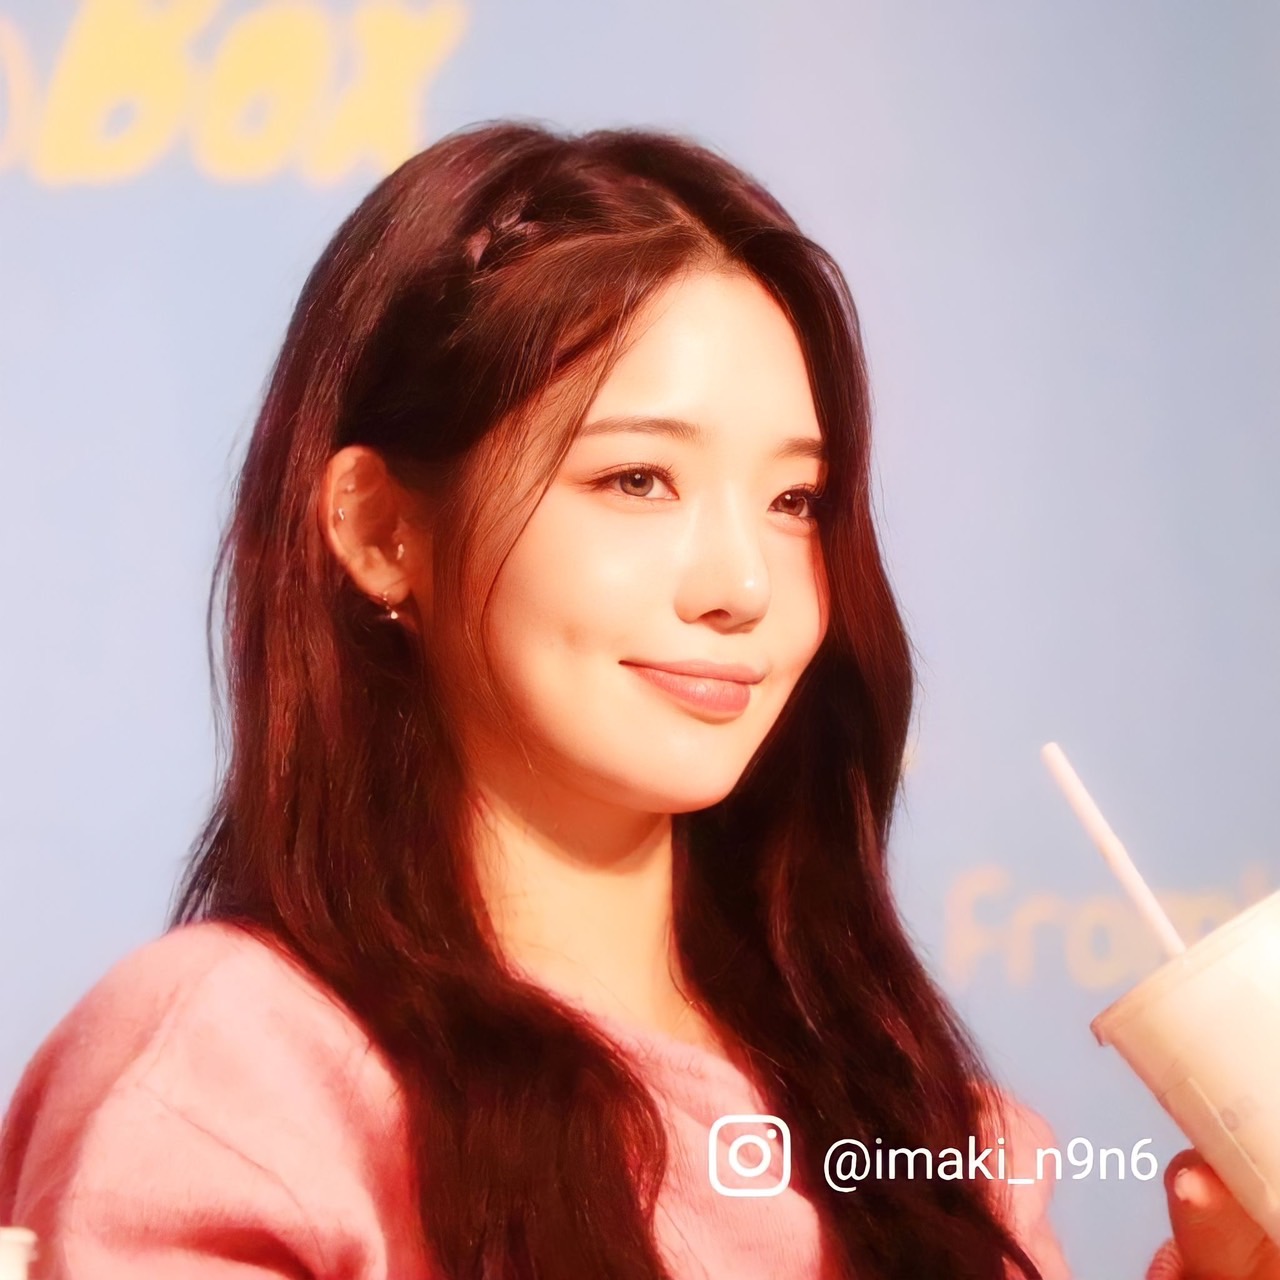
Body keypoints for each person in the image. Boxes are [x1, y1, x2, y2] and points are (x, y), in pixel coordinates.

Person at [0, 119, 1265, 1280]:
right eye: (636, 480)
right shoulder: (238, 1073)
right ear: (382, 529)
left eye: (795, 501)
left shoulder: (931, 1127)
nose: (742, 585)